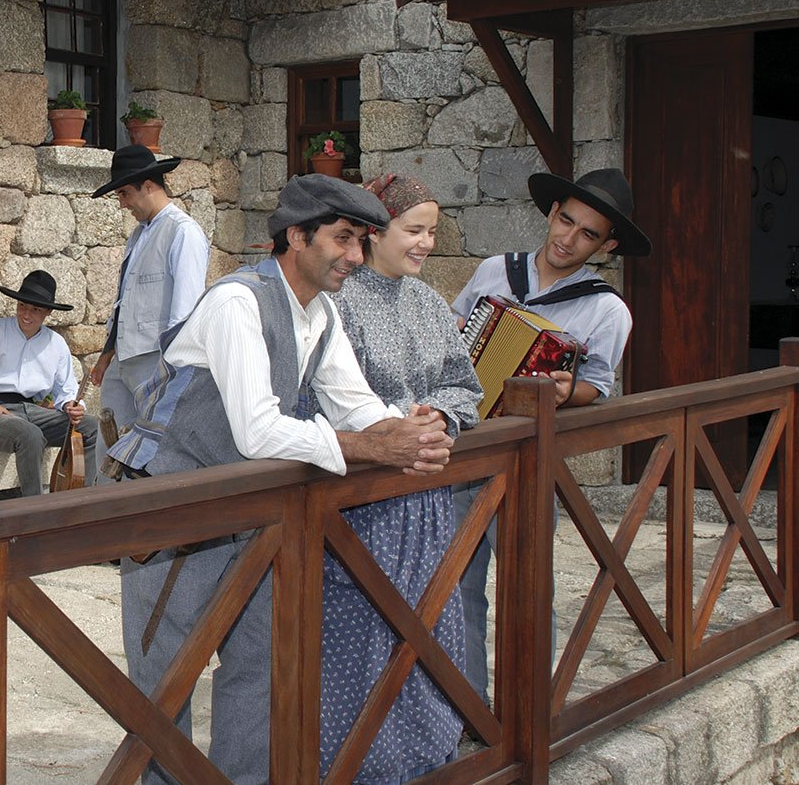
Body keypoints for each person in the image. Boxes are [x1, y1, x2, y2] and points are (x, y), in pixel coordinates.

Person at [107, 174, 456, 785]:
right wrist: (375, 446)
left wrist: (409, 432)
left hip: (255, 514)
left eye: (361, 241)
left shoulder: (321, 312)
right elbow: (259, 432)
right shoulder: (236, 302)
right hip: (176, 510)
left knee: (259, 667)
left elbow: (354, 403)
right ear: (296, 236)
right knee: (166, 679)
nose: (355, 256)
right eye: (342, 238)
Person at [450, 167, 652, 703]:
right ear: (552, 213)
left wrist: (566, 391)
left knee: (529, 588)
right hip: (464, 447)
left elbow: (597, 384)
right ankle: (465, 706)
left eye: (588, 234)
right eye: (566, 221)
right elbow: (452, 337)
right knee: (455, 584)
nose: (568, 238)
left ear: (607, 245)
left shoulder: (606, 309)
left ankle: (531, 709)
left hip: (530, 462)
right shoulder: (495, 272)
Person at [321, 174, 483, 781]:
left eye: (432, 232)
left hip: (427, 502)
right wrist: (391, 429)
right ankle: (356, 767)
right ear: (373, 231)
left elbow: (465, 384)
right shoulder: (338, 301)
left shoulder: (428, 303)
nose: (426, 244)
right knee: (362, 639)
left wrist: (437, 414)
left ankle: (425, 760)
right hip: (363, 503)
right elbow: (323, 397)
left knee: (427, 630)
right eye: (414, 230)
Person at [88, 145, 209, 455]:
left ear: (149, 185)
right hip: (124, 359)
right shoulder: (138, 235)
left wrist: (170, 372)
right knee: (108, 446)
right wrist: (107, 354)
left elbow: (185, 312)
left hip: (155, 361)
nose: (122, 203)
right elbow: (125, 300)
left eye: (125, 193)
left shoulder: (183, 232)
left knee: (149, 450)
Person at [0, 271, 100, 497]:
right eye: (22, 306)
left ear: (48, 312)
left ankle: (80, 500)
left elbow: (66, 390)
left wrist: (71, 405)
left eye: (36, 309)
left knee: (92, 427)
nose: (26, 314)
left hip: (34, 411)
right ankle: (34, 509)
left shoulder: (56, 344)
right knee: (30, 435)